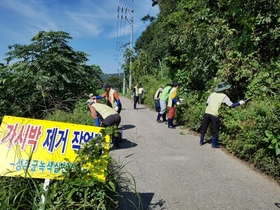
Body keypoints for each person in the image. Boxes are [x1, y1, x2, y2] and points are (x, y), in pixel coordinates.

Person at [199, 82, 246, 148]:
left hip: (207, 112)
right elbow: (231, 105)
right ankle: (214, 144)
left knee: (204, 127)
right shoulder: (224, 96)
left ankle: (201, 141)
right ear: (223, 89)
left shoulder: (212, 94)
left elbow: (207, 103)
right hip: (214, 114)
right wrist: (240, 102)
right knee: (215, 130)